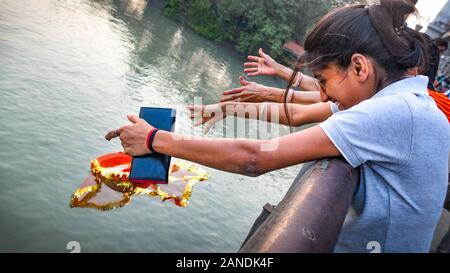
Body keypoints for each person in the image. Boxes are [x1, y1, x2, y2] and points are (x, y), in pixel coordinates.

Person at [106, 0, 450, 252]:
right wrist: (232, 107)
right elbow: (301, 112)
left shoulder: (390, 111)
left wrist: (155, 139)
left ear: (359, 67)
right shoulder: (401, 102)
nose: (325, 93)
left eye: (324, 80)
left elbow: (255, 157)